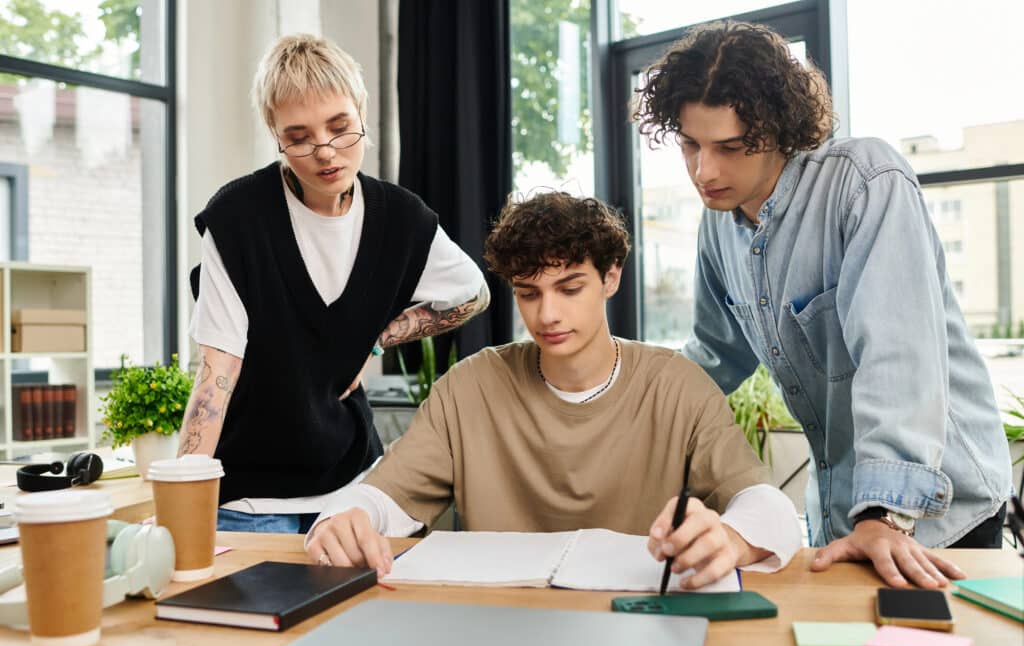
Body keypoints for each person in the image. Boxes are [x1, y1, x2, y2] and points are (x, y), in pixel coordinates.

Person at [632, 20, 1012, 587]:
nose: (703, 171)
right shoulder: (718, 229)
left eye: (729, 148)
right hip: (841, 518)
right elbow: (714, 356)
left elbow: (897, 356)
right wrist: (621, 406)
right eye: (690, 144)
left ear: (778, 130)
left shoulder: (864, 183)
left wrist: (885, 515)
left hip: (933, 511)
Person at [305, 191, 801, 587]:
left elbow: (769, 506)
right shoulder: (470, 387)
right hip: (501, 633)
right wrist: (348, 517)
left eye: (569, 288)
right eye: (528, 293)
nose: (547, 315)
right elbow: (383, 495)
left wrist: (730, 538)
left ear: (611, 277)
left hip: (637, 630)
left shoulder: (678, 386)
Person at [180, 34, 489, 533]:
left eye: (341, 127)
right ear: (274, 132)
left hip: (354, 487)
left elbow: (473, 293)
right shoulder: (238, 219)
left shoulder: (402, 218)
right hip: (251, 501)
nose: (325, 152)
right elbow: (216, 372)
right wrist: (184, 511)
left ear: (361, 111)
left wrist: (379, 338)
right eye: (299, 137)